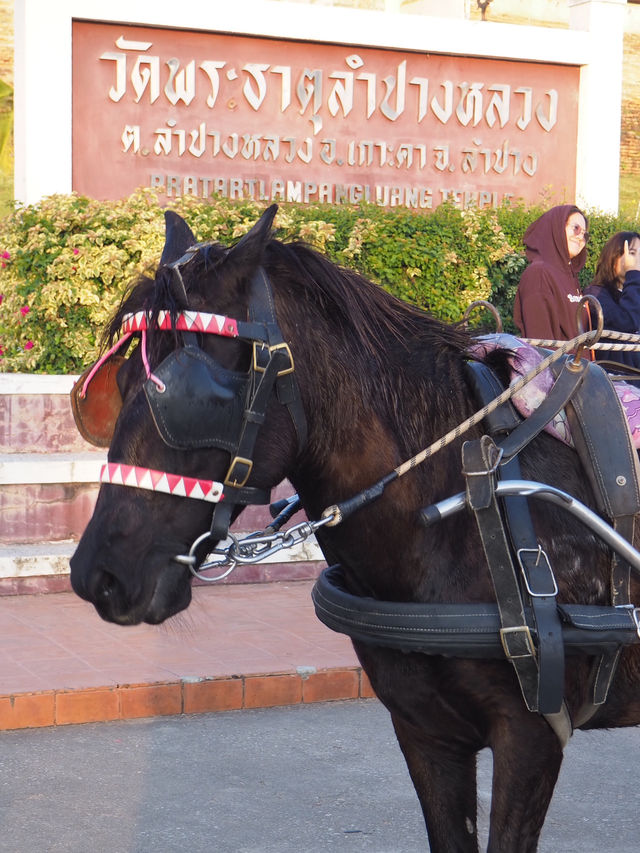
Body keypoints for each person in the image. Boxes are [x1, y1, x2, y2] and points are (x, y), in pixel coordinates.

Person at [513, 204, 588, 341]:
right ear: (556, 228)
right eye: (576, 229)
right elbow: (541, 343)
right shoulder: (538, 274)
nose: (580, 237)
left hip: (579, 362)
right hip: (558, 362)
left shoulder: (571, 278)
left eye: (584, 234)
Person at [584, 230, 640, 371]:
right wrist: (633, 274)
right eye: (632, 254)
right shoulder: (596, 294)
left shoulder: (634, 292)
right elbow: (626, 323)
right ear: (613, 257)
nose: (637, 261)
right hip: (617, 382)